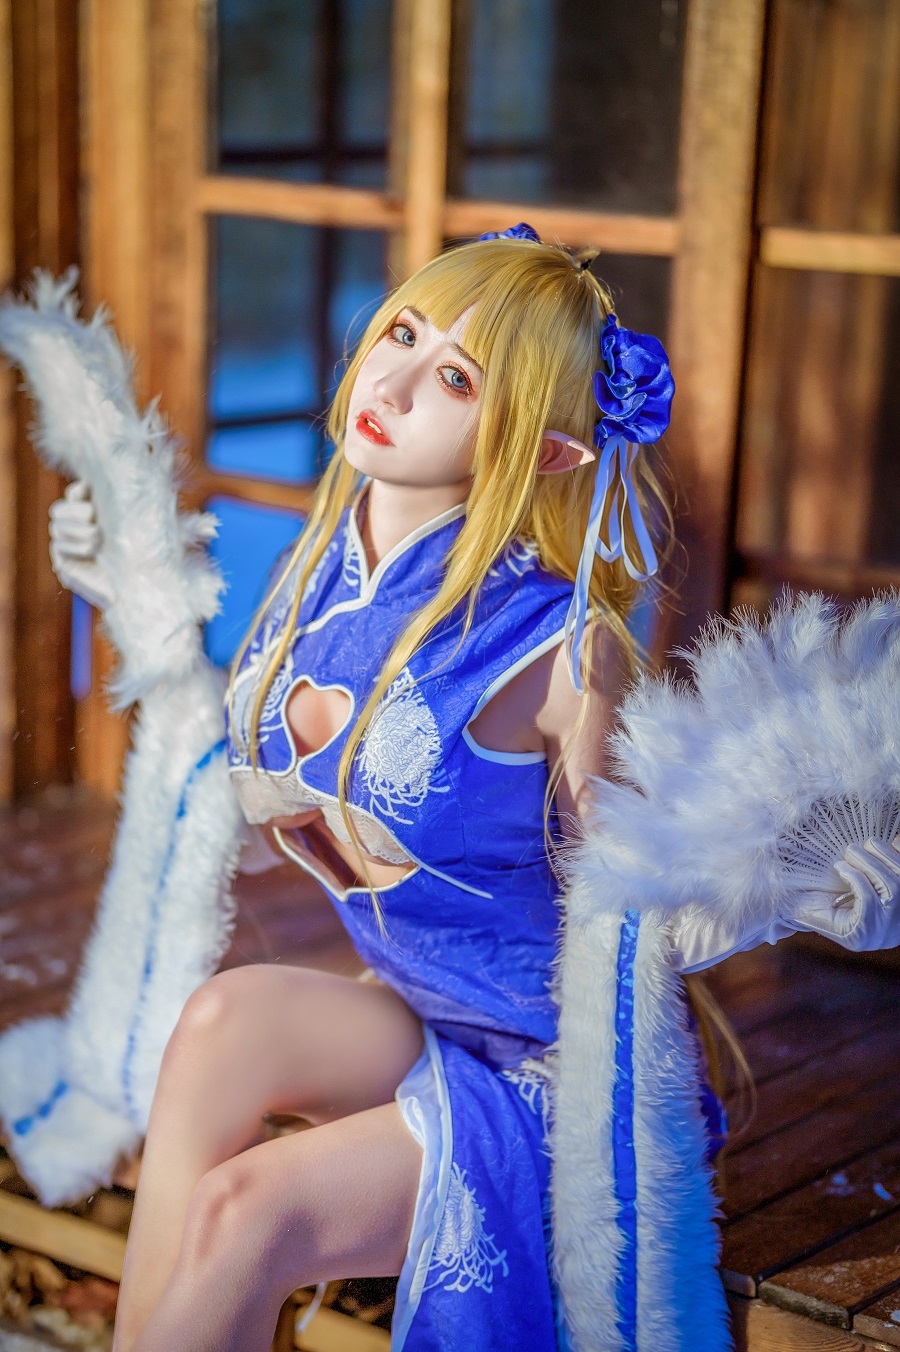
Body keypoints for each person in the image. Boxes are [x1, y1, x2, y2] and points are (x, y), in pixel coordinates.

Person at [47, 227, 900, 1352]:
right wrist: (134, 600)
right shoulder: (315, 572)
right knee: (220, 1022)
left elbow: (636, 902)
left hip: (547, 1073)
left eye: (456, 379)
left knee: (244, 1211)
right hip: (418, 1007)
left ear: (545, 451)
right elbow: (245, 794)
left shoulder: (558, 651)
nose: (392, 383)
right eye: (403, 332)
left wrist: (787, 883)